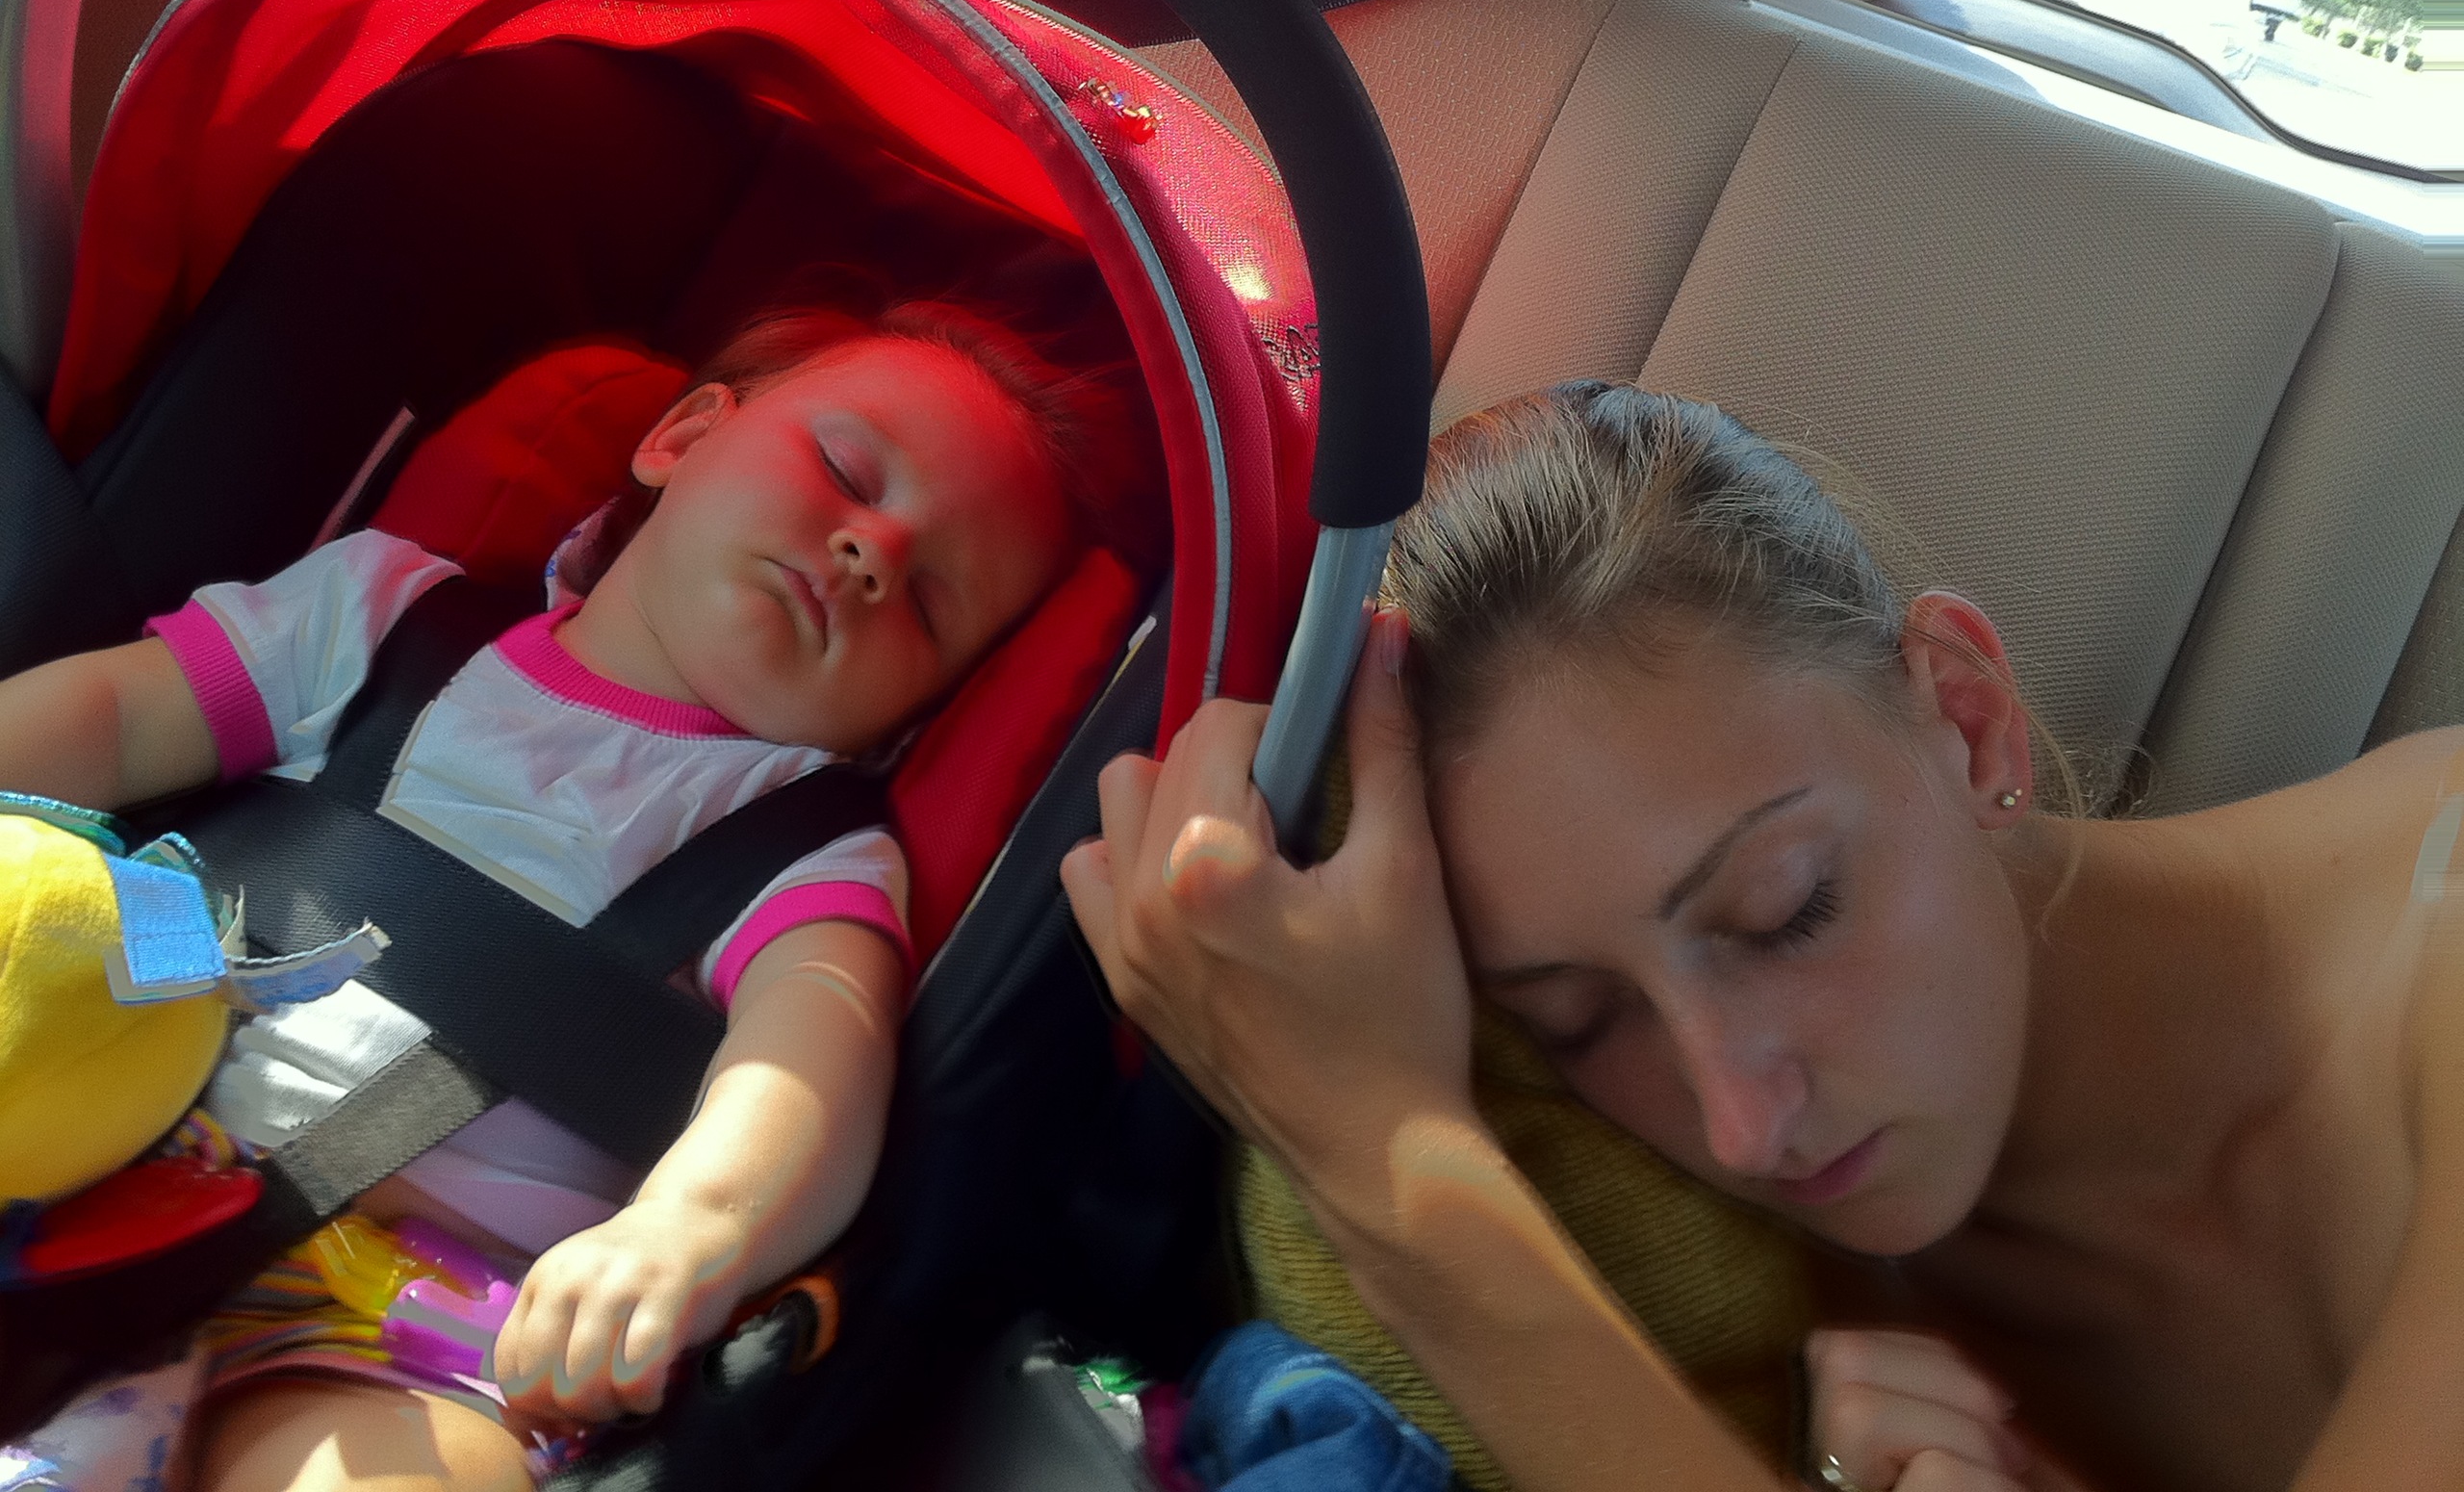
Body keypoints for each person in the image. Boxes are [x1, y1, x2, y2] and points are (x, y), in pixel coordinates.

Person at [1064, 380, 2464, 1492]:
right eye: (1577, 1023)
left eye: (1785, 910)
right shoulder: (1795, 1308)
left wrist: (1385, 1163)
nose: (1741, 1127)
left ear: (1968, 719)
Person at [0, 299, 1144, 1492]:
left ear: (917, 712)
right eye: (847, 472)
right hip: (88, 1141)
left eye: (930, 602)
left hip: (397, 1325)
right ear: (682, 437)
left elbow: (808, 1072)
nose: (874, 553)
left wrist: (686, 1232)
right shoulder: (378, 614)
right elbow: (110, 717)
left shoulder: (814, 855)